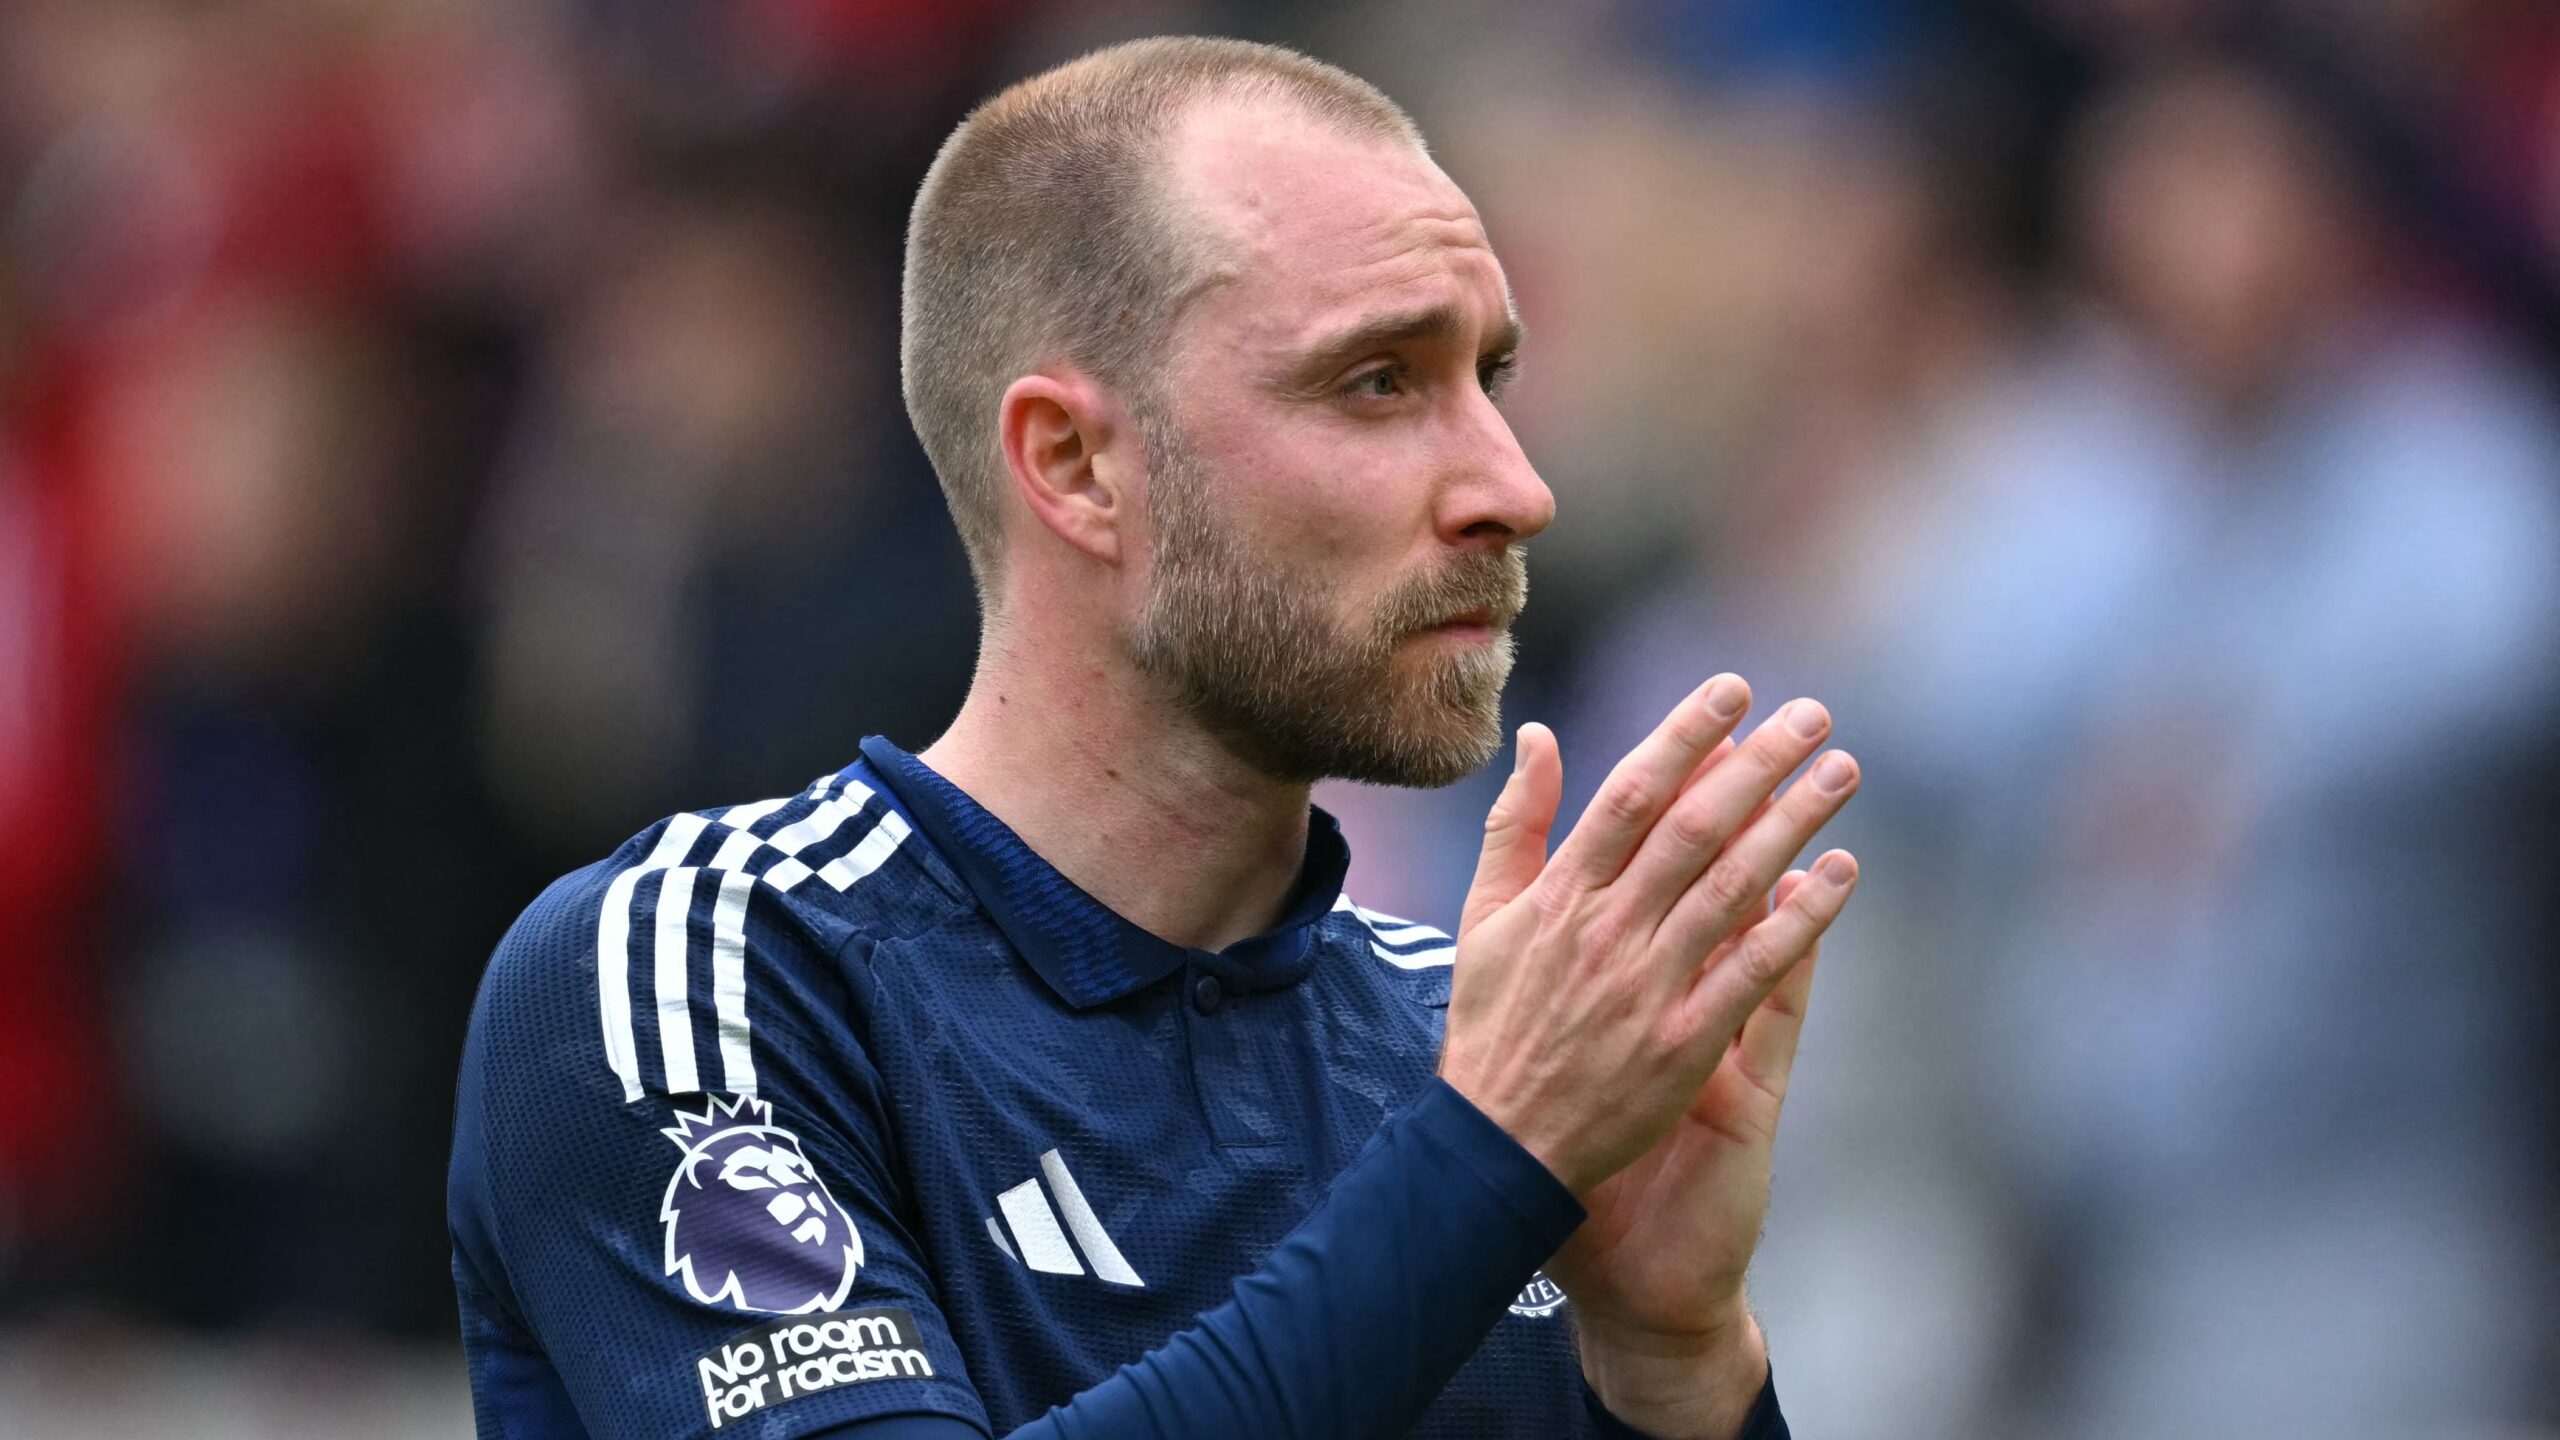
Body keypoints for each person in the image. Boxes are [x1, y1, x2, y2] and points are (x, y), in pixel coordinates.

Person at [448, 36, 1861, 1440]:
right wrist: (1485, 1165)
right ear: (1075, 465)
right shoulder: (711, 975)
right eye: (1378, 382)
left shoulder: (1467, 1044)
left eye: (1488, 378)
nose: (1515, 485)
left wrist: (1677, 1373)